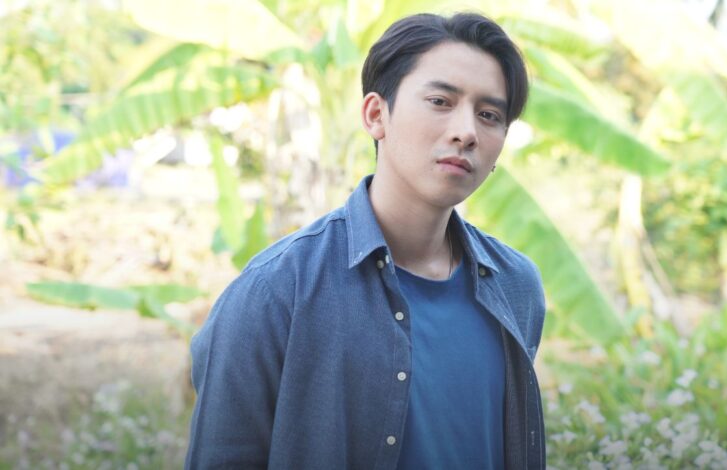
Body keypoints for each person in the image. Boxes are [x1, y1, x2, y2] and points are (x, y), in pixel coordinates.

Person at [185, 12, 546, 469]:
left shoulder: (516, 286)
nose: (467, 132)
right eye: (440, 101)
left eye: (489, 115)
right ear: (376, 115)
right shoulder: (276, 291)